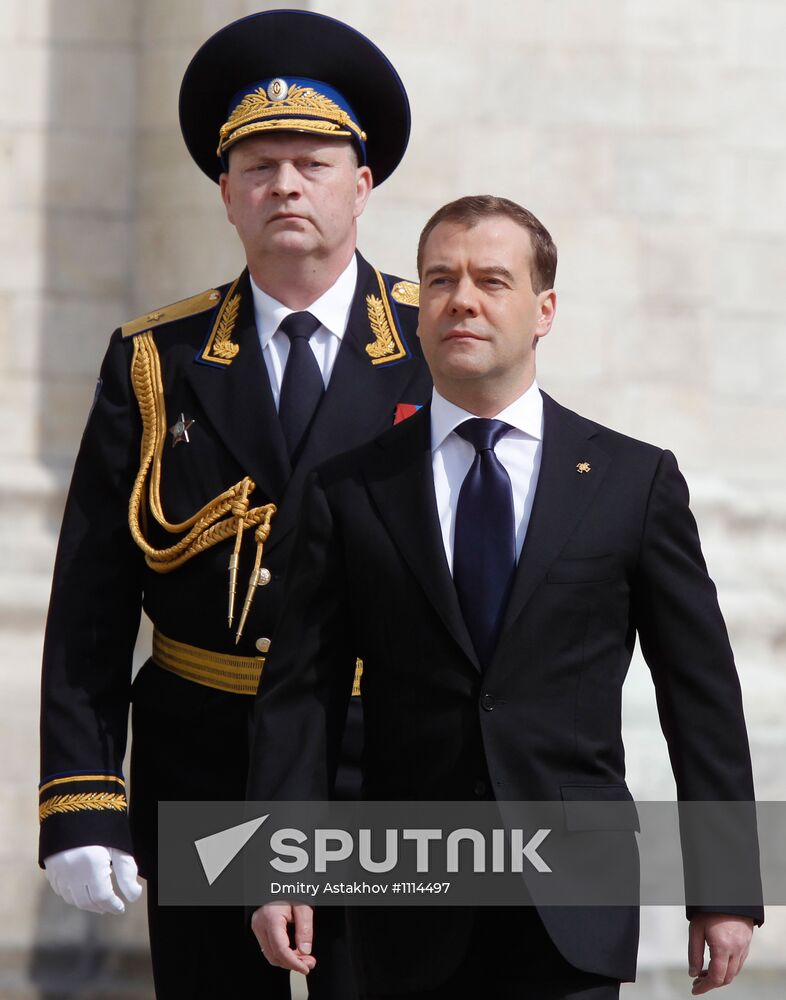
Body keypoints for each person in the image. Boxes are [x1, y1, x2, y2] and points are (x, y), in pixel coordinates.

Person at [247, 195, 762, 999]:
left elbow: (701, 696)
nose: (463, 300)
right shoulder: (350, 489)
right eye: (441, 280)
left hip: (573, 897)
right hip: (404, 895)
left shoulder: (632, 481)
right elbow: (301, 694)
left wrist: (724, 888)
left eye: (493, 280)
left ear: (544, 309)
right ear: (418, 309)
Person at [38, 10, 431, 999]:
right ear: (225, 194)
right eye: (258, 166)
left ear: (362, 184)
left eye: (311, 162)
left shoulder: (441, 345)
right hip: (208, 747)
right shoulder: (155, 358)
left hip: (376, 756)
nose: (285, 185)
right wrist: (82, 799)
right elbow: (92, 592)